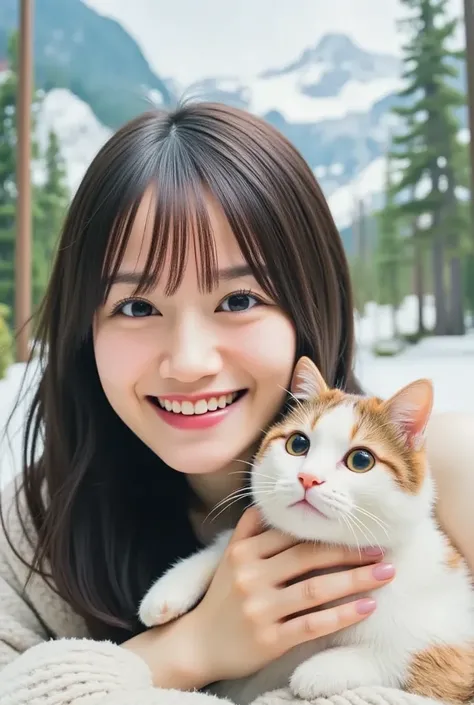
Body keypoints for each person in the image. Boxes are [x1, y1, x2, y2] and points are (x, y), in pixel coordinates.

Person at [0, 102, 472, 705]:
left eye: (240, 299)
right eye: (137, 307)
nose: (190, 360)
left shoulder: (454, 472)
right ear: (82, 330)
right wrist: (190, 648)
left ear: (309, 306)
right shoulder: (33, 526)